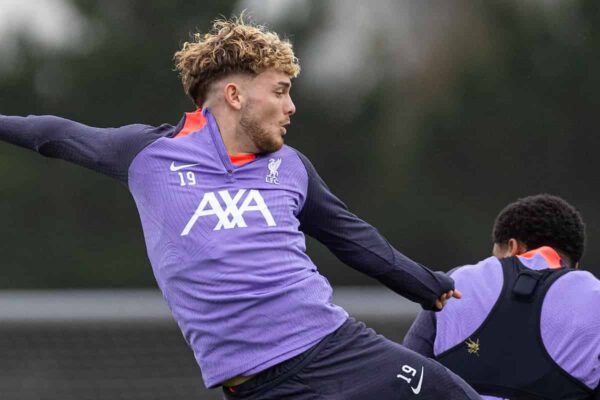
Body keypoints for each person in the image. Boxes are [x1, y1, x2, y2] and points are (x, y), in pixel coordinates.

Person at [0, 16, 479, 399]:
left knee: (450, 393)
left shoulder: (290, 167)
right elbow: (54, 134)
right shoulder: (148, 155)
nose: (291, 107)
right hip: (256, 388)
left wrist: (429, 287)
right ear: (234, 95)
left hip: (337, 351)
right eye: (279, 90)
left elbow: (352, 238)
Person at [404, 194, 600, 399]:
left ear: (513, 248)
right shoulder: (594, 297)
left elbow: (405, 375)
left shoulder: (457, 282)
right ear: (575, 266)